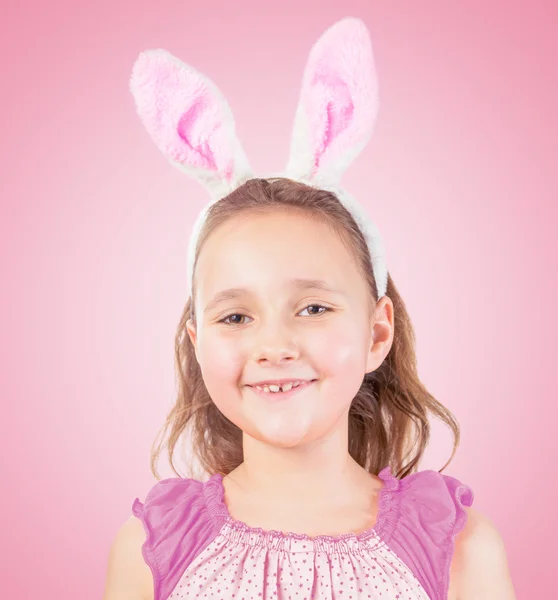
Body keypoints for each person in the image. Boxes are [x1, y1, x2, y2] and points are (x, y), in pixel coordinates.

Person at [102, 17, 516, 600]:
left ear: (377, 332)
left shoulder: (458, 548)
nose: (275, 345)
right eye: (235, 317)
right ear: (198, 346)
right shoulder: (153, 549)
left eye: (314, 308)